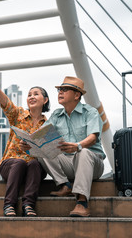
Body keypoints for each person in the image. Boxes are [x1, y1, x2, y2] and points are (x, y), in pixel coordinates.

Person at [0, 70, 48, 217]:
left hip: (34, 169)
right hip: (11, 165)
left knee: (34, 164)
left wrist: (35, 149)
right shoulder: (18, 114)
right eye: (29, 94)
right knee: (19, 162)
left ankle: (28, 205)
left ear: (45, 100)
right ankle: (9, 205)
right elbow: (6, 103)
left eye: (36, 94)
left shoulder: (48, 125)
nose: (31, 97)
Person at [40, 76, 105, 217]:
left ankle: (82, 203)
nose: (60, 92)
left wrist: (78, 146)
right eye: (59, 90)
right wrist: (29, 142)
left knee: (83, 152)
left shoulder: (91, 112)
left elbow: (93, 138)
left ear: (77, 95)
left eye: (64, 90)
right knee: (41, 148)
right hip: (68, 164)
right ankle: (65, 185)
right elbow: (42, 135)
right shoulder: (57, 115)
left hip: (93, 163)